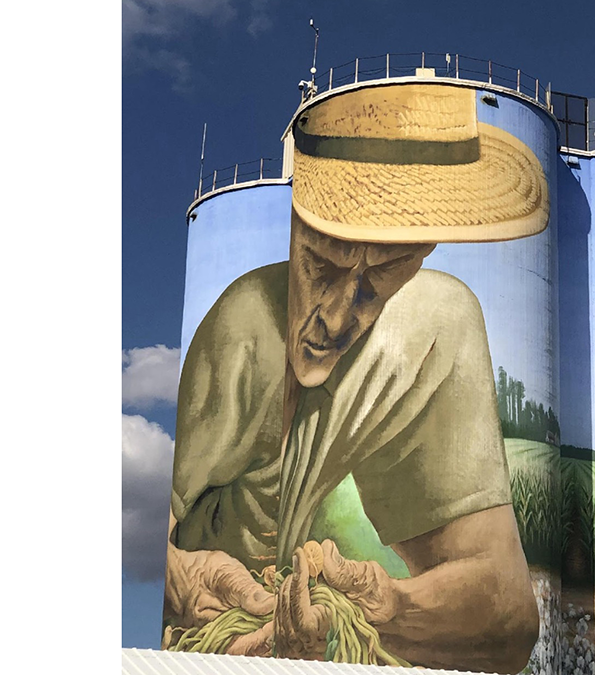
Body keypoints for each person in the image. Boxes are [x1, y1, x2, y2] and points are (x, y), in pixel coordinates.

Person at [163, 83, 550, 673]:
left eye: (384, 273)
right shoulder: (242, 328)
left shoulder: (434, 325)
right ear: (296, 227)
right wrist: (185, 581)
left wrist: (389, 605)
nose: (340, 319)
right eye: (323, 264)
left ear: (422, 251)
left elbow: (511, 622)